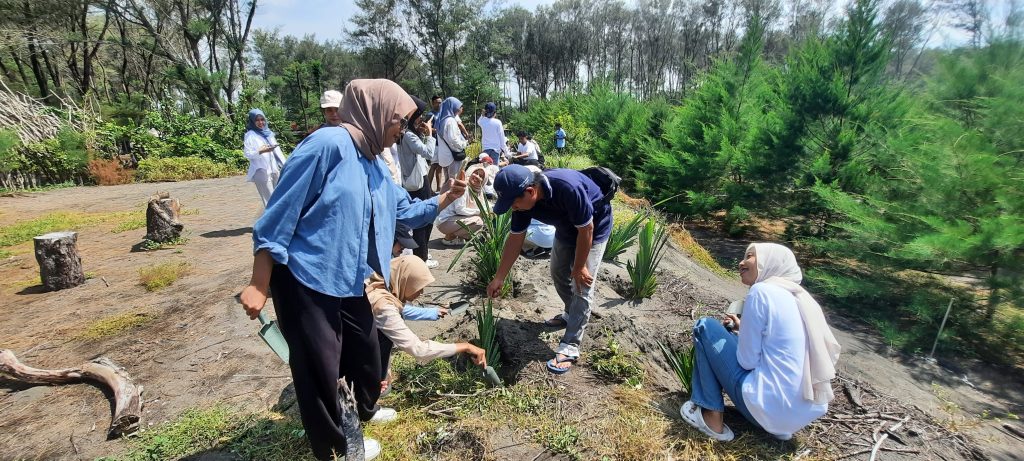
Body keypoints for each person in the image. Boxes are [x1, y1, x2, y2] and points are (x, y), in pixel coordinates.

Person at [239, 79, 468, 461]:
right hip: (305, 277)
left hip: (350, 276)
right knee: (319, 367)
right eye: (400, 122)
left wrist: (449, 195)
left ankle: (365, 407)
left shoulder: (375, 163)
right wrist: (259, 281)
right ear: (379, 112)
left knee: (364, 349)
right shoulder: (327, 145)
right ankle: (337, 446)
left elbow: (405, 212)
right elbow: (279, 212)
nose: (401, 132)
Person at [679, 243, 841, 442]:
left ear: (769, 262)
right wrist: (742, 331)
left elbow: (747, 362)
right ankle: (777, 428)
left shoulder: (762, 291)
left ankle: (712, 418)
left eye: (749, 256)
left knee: (705, 326)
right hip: (797, 419)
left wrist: (739, 337)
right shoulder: (801, 300)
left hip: (768, 408)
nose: (741, 262)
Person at [486, 164, 613, 374]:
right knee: (557, 271)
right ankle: (570, 313)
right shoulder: (523, 203)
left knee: (581, 284)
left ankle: (571, 345)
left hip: (593, 229)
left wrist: (580, 267)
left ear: (530, 191)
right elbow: (515, 239)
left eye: (514, 203)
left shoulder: (567, 188)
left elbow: (587, 229)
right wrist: (499, 277)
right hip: (566, 229)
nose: (513, 208)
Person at [366, 255, 488, 404]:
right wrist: (466, 346)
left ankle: (376, 376)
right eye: (419, 286)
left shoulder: (379, 286)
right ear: (405, 280)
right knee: (384, 347)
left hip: (353, 350)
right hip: (356, 360)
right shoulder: (382, 306)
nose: (422, 292)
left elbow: (400, 309)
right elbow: (420, 351)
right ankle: (366, 397)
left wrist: (433, 312)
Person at [392, 96, 440, 269]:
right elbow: (428, 153)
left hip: (416, 180)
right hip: (418, 182)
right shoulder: (409, 136)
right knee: (424, 220)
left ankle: (423, 252)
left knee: (424, 219)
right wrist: (429, 134)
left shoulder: (406, 134)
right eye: (419, 116)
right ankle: (422, 259)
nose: (421, 119)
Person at [434, 164, 488, 246]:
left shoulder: (479, 192)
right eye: (476, 173)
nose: (476, 176)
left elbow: (484, 206)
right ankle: (450, 237)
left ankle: (462, 236)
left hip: (454, 220)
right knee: (478, 221)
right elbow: (459, 209)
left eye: (481, 176)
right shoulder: (463, 187)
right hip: (444, 221)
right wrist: (479, 212)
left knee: (482, 216)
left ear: (484, 181)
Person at [243, 109, 287, 207]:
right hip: (261, 171)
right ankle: (271, 221)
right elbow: (247, 153)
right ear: (252, 121)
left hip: (275, 170)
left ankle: (278, 221)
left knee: (279, 198)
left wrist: (286, 165)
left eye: (262, 119)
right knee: (269, 201)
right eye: (257, 120)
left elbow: (278, 151)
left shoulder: (269, 133)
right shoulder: (250, 135)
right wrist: (260, 151)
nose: (260, 122)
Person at [434, 97, 470, 187]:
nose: (461, 108)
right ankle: (450, 200)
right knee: (453, 181)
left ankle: (444, 197)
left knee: (447, 180)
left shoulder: (441, 120)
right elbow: (453, 139)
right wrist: (464, 144)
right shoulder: (451, 121)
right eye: (459, 106)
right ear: (453, 107)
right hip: (452, 156)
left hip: (444, 156)